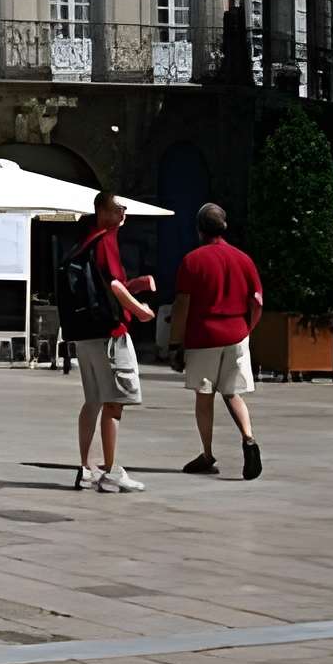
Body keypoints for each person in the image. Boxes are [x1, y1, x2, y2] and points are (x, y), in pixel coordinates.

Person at [70, 192, 156, 494]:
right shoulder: (106, 240)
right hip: (110, 334)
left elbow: (107, 287)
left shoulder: (84, 242)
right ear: (102, 211)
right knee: (115, 402)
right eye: (119, 209)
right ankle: (111, 470)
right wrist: (141, 311)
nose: (124, 214)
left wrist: (136, 285)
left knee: (93, 400)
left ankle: (86, 468)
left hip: (85, 334)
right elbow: (116, 286)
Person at [172, 202, 264, 481]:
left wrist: (176, 343)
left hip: (203, 336)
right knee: (232, 393)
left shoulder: (192, 260)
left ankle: (207, 454)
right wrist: (248, 328)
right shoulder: (243, 259)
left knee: (204, 396)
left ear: (199, 229)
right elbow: (257, 302)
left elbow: (182, 304)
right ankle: (249, 438)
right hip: (236, 334)